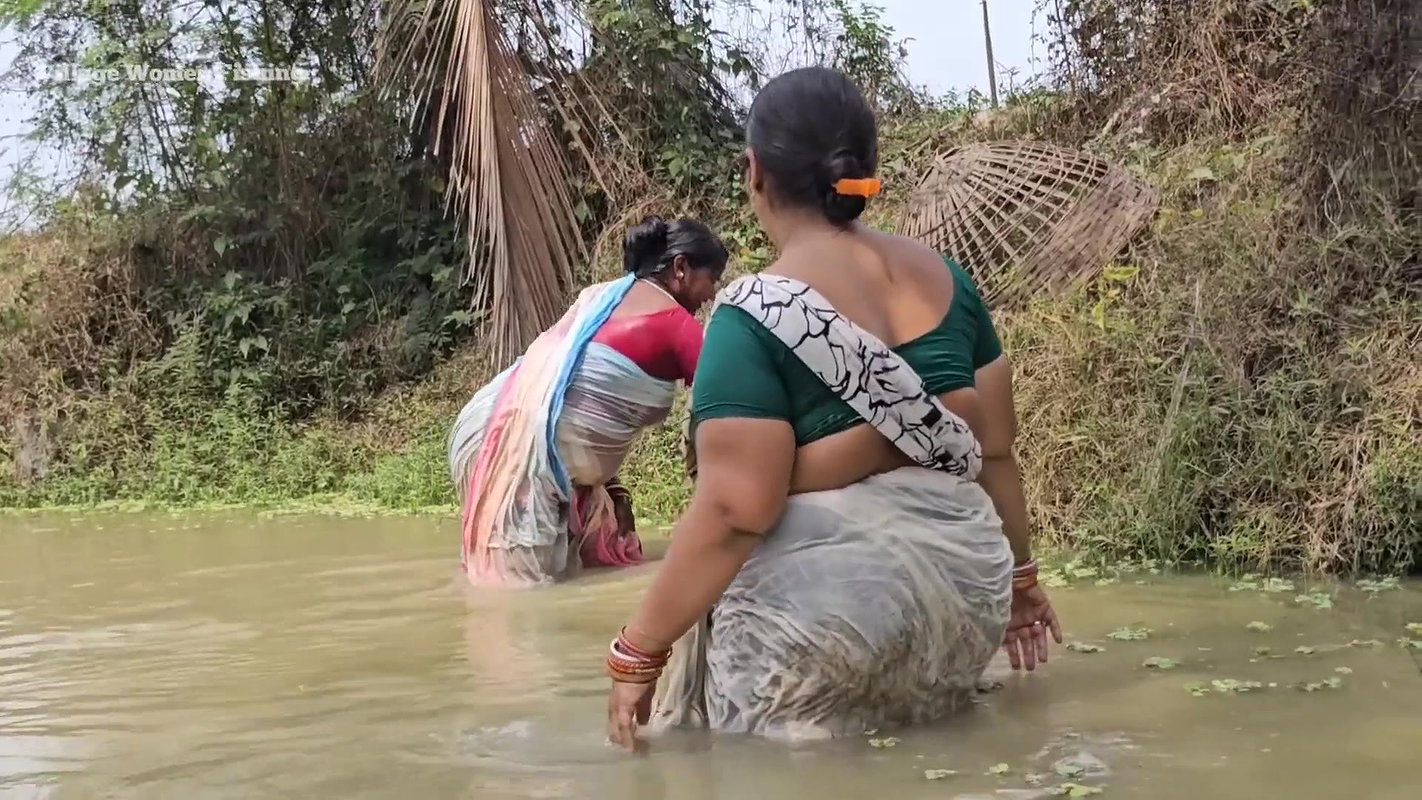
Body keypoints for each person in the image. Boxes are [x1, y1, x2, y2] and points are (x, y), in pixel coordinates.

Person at [602, 67, 1062, 747]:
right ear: (865, 169)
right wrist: (1021, 584)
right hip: (967, 602)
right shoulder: (951, 283)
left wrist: (638, 650)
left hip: (826, 623)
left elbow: (733, 510)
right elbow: (994, 451)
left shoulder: (750, 315)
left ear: (753, 171)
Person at [448, 216, 726, 587]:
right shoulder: (677, 325)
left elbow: (570, 403)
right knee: (521, 601)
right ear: (681, 268)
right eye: (712, 279)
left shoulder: (601, 298)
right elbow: (725, 414)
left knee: (551, 582)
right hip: (522, 455)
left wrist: (613, 489)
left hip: (491, 428)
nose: (711, 294)